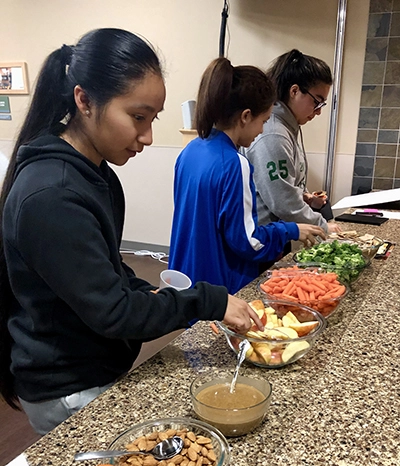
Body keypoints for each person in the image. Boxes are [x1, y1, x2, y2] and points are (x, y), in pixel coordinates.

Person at [0, 28, 264, 435]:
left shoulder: (98, 175)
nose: (147, 136)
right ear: (84, 101)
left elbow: (108, 271)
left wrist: (147, 293)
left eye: (152, 119)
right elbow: (113, 311)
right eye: (137, 117)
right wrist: (207, 301)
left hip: (97, 361)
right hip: (68, 383)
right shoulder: (52, 195)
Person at [168, 57, 325, 295]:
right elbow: (248, 242)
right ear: (245, 116)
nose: (263, 130)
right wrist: (292, 230)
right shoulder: (234, 163)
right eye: (263, 121)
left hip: (188, 280)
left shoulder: (191, 150)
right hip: (220, 285)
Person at [244, 49, 341, 235]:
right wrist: (321, 225)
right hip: (262, 238)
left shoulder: (287, 127)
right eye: (317, 102)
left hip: (275, 233)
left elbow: (285, 186)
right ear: (294, 91)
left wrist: (305, 197)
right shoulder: (273, 133)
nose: (318, 111)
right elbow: (283, 201)